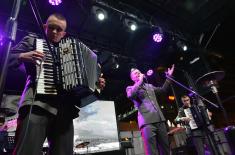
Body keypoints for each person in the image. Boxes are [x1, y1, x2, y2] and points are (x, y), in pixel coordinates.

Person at [9, 13, 105, 155]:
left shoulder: (71, 50)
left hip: (64, 112)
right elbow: (6, 58)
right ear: (44, 26)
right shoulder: (33, 41)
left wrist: (97, 85)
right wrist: (22, 56)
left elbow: (85, 85)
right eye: (51, 27)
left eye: (58, 29)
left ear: (63, 33)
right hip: (36, 106)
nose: (54, 31)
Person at [126, 64, 175, 155]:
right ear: (132, 78)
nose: (138, 74)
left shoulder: (149, 86)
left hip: (160, 120)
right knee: (152, 151)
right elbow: (131, 95)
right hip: (147, 122)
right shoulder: (130, 88)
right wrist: (140, 81)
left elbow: (163, 90)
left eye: (139, 72)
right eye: (135, 74)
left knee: (166, 149)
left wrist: (169, 77)